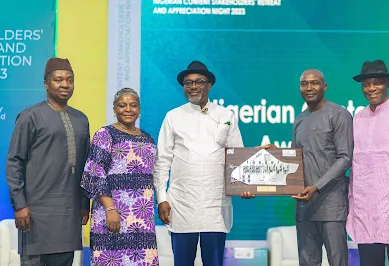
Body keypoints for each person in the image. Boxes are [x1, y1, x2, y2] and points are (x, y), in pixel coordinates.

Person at [243, 69, 354, 266]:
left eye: (314, 83)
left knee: (338, 262)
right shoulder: (299, 120)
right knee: (307, 262)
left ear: (324, 86)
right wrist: (276, 153)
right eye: (304, 84)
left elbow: (345, 158)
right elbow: (296, 160)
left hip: (331, 206)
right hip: (305, 206)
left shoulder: (339, 114)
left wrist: (317, 186)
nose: (309, 88)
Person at [153, 61, 244, 266]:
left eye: (199, 82)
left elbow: (237, 157)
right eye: (188, 83)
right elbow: (162, 162)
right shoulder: (173, 117)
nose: (193, 87)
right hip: (181, 205)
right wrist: (161, 199)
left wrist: (246, 186)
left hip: (215, 206)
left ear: (209, 85)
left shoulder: (226, 116)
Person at [6, 58, 90, 266]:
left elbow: (85, 167)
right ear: (46, 83)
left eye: (70, 80)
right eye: (58, 80)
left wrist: (83, 203)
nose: (65, 84)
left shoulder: (81, 119)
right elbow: (14, 161)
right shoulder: (30, 116)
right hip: (35, 213)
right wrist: (19, 205)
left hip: (68, 214)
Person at [80, 88, 159, 266]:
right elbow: (96, 172)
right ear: (114, 109)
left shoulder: (148, 139)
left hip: (141, 219)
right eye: (122, 105)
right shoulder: (105, 134)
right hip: (112, 214)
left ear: (139, 109)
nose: (128, 109)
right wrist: (110, 210)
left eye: (133, 105)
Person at [347, 60, 389, 266]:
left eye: (377, 82)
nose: (371, 88)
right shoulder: (357, 118)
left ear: (387, 84)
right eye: (366, 84)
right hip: (365, 210)